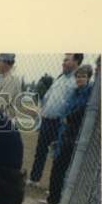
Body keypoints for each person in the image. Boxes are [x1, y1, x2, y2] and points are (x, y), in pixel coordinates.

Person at [29, 53, 83, 185]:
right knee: (40, 150)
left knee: (58, 155)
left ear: (76, 62)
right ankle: (34, 179)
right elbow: (48, 96)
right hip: (47, 119)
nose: (63, 62)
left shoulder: (76, 81)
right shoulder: (60, 78)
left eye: (67, 60)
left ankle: (54, 187)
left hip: (60, 123)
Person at [47, 64, 94, 204]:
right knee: (57, 166)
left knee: (63, 168)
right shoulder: (74, 92)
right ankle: (52, 199)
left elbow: (81, 112)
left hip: (74, 136)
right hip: (64, 133)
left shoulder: (89, 93)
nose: (80, 79)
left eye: (83, 76)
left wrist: (69, 118)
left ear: (89, 78)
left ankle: (58, 201)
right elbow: (65, 110)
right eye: (78, 76)